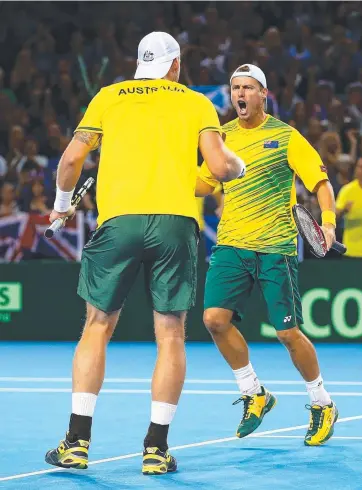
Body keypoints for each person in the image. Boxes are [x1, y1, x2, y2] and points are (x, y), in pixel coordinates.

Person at [45, 31, 245, 475]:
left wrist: (61, 209)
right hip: (175, 224)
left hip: (119, 222)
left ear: (140, 63)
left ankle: (76, 442)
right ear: (175, 66)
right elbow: (218, 167)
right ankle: (156, 449)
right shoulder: (195, 102)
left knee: (97, 325)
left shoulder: (109, 97)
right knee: (171, 334)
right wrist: (238, 165)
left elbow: (69, 163)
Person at [196, 63, 339, 447]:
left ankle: (322, 402)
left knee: (288, 333)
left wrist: (328, 222)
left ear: (263, 94)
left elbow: (320, 182)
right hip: (231, 245)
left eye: (247, 88)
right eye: (235, 88)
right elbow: (202, 185)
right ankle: (254, 391)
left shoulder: (286, 136)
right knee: (214, 319)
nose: (240, 94)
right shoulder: (220, 138)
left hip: (276, 247)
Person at [336, 157, 362, 258]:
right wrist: (344, 210)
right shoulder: (347, 191)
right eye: (361, 167)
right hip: (352, 251)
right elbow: (334, 216)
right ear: (356, 169)